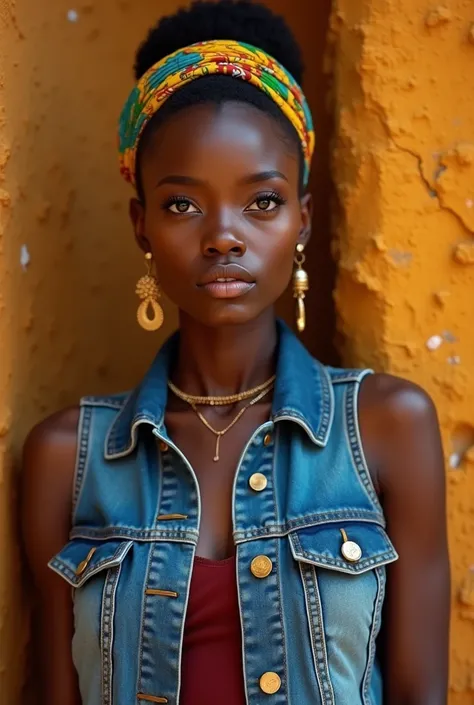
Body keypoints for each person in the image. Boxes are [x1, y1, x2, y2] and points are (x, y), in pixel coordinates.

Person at [21, 2, 450, 704]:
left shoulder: (386, 427)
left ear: (303, 218)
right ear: (142, 225)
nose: (224, 236)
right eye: (184, 205)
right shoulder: (67, 458)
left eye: (262, 202)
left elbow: (419, 691)